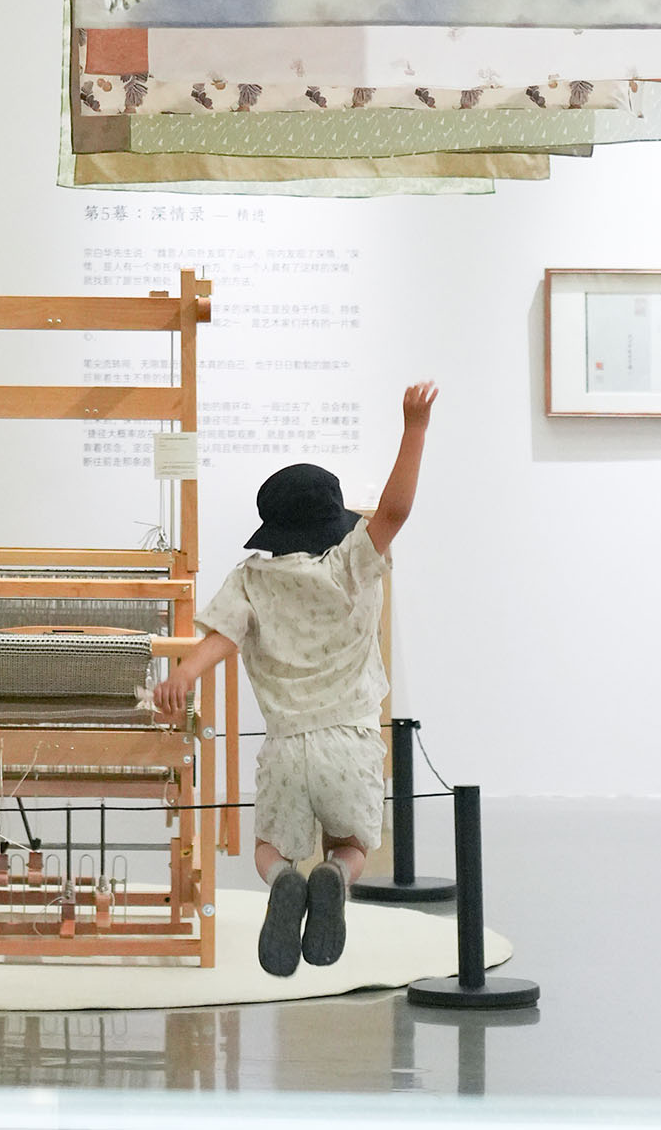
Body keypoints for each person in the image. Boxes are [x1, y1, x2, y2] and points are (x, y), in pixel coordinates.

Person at [154, 382, 437, 977]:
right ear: (335, 519)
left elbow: (222, 639)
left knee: (270, 847)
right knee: (352, 844)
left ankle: (284, 879)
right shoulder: (353, 563)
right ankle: (334, 876)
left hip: (286, 747)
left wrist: (183, 675)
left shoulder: (252, 578)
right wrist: (414, 428)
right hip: (350, 741)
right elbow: (394, 512)